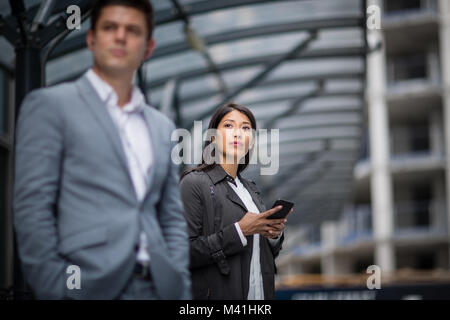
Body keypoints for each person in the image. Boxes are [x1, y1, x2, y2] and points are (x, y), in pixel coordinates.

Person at [13, 0, 191, 300]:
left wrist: (179, 281)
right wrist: (56, 289)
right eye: (110, 27)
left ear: (148, 48)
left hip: (159, 288)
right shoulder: (51, 106)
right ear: (91, 39)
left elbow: (171, 215)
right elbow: (32, 207)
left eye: (132, 30)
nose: (120, 37)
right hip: (86, 286)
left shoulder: (162, 126)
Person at [179, 103, 292, 300]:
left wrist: (272, 234)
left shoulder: (251, 190)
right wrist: (240, 231)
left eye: (246, 128)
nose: (238, 133)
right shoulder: (194, 183)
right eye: (229, 126)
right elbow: (182, 252)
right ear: (213, 138)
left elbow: (260, 254)